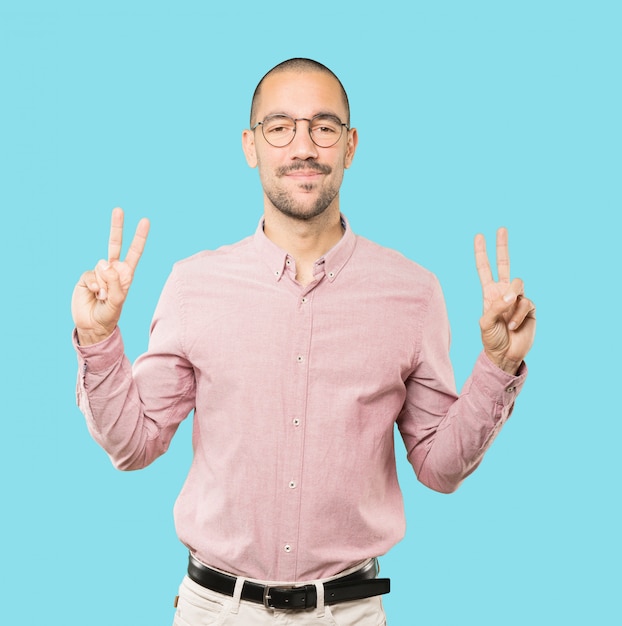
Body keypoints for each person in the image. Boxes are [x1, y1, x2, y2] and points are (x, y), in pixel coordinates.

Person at [72, 58, 536, 625]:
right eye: (279, 127)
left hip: (350, 613)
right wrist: (98, 340)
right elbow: (133, 445)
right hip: (215, 611)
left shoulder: (413, 294)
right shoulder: (193, 285)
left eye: (323, 126)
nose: (303, 147)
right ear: (251, 145)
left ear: (350, 144)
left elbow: (440, 468)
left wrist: (497, 364)